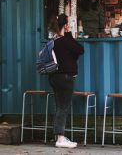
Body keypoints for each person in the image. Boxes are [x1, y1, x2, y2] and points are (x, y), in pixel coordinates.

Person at [48, 14, 84, 148]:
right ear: (66, 25)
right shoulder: (65, 40)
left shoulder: (53, 41)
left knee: (59, 106)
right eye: (68, 24)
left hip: (54, 77)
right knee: (63, 107)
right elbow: (80, 49)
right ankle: (61, 139)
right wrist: (69, 34)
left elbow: (74, 53)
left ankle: (59, 136)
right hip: (65, 78)